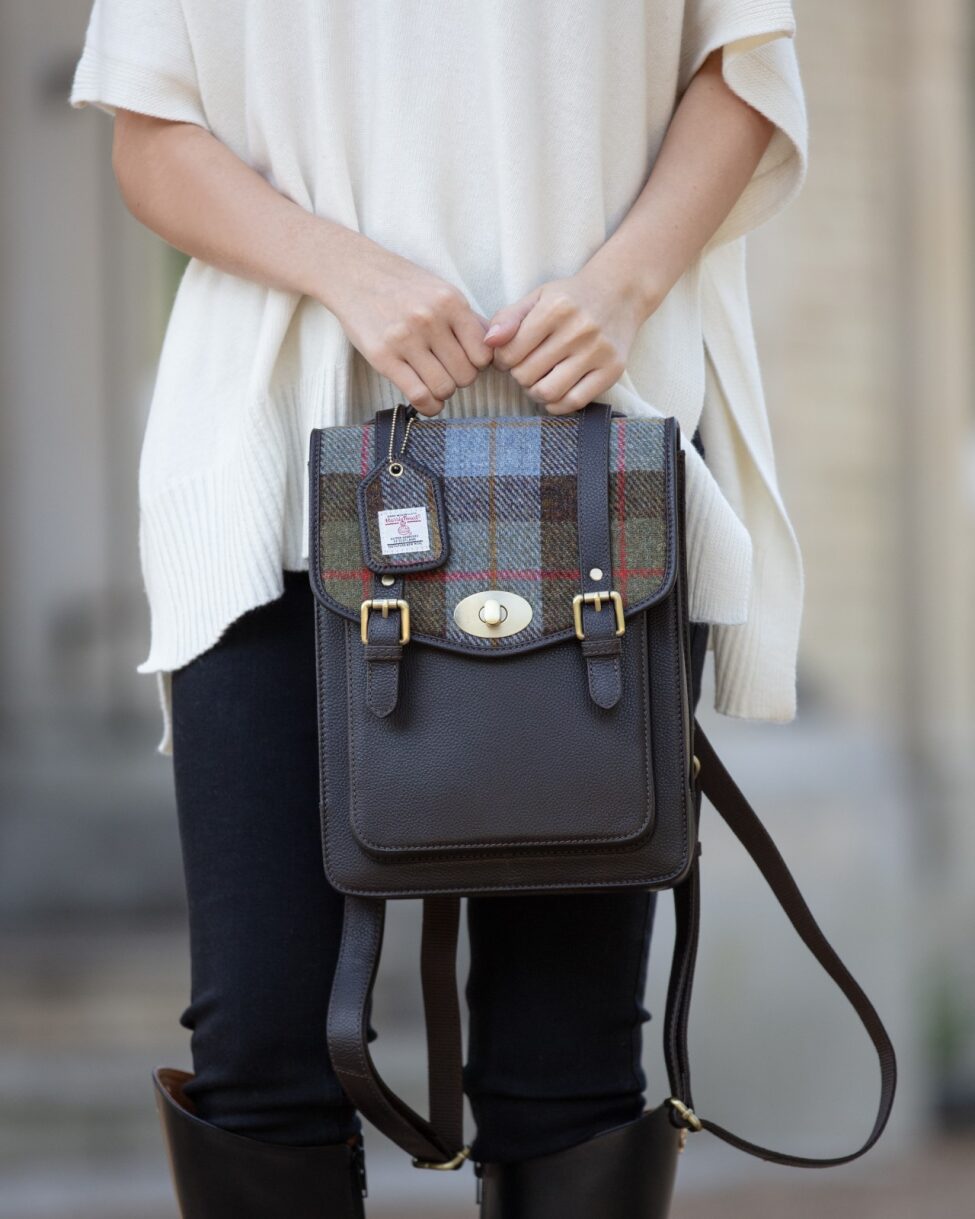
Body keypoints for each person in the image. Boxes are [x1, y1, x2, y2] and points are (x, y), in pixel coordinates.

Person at [70, 2, 808, 1215]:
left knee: (567, 1066)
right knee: (259, 1048)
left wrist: (624, 286)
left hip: (588, 480)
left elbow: (741, 69)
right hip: (273, 473)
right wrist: (349, 272)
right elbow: (153, 137)